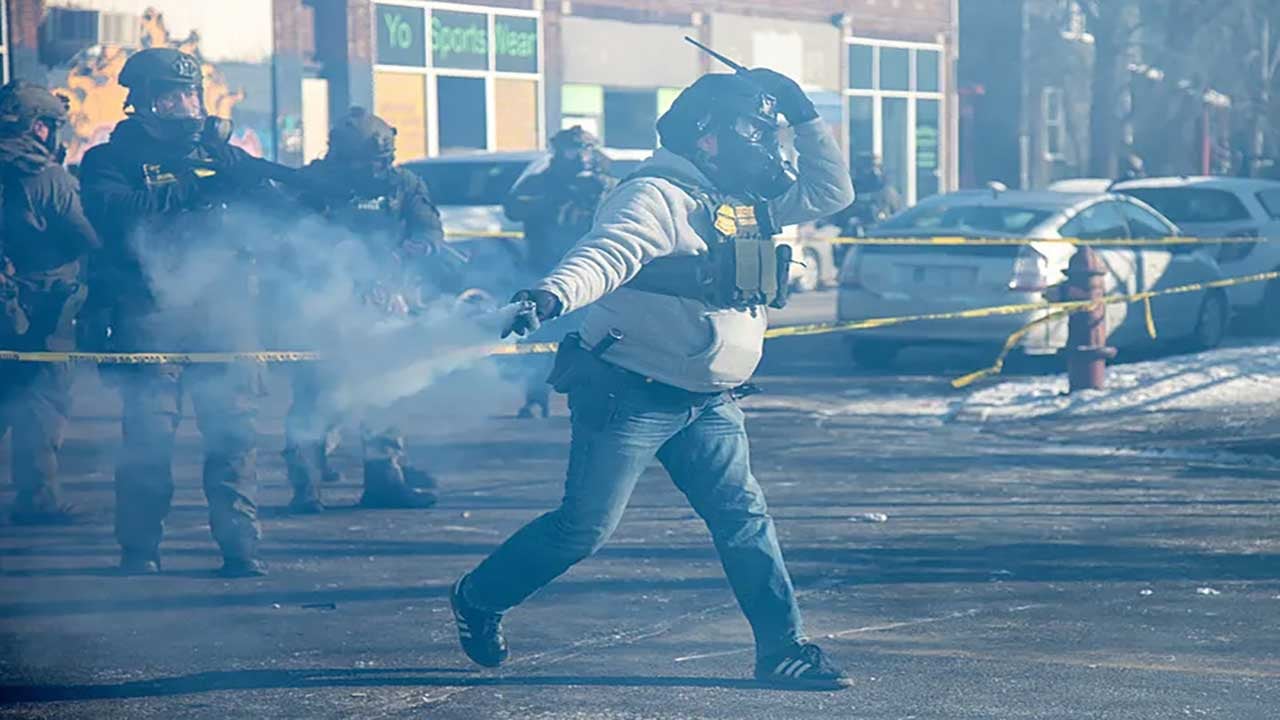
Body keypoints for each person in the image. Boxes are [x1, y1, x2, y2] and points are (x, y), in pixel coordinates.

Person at [448, 68, 856, 690]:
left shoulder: (742, 201)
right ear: (708, 136)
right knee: (583, 528)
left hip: (709, 400)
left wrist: (803, 113)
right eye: (756, 130)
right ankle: (479, 597)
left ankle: (783, 650)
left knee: (743, 519)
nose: (770, 148)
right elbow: (607, 254)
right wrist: (552, 296)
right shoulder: (654, 195)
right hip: (629, 393)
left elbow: (832, 193)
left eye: (772, 133)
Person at [79, 48, 274, 577]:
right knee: (148, 440)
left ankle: (240, 549)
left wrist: (234, 171)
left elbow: (276, 205)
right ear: (141, 102)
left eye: (191, 93)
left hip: (223, 313)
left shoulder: (219, 153)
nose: (186, 106)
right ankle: (139, 550)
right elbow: (114, 213)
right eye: (171, 96)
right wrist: (188, 186)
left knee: (234, 436)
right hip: (150, 313)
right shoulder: (108, 161)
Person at [280, 107, 442, 514]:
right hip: (320, 305)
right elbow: (289, 241)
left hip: (385, 301)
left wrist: (417, 247)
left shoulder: (403, 183)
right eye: (365, 161)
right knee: (316, 395)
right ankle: (306, 487)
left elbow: (428, 228)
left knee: (386, 390)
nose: (374, 168)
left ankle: (385, 481)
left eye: (380, 160)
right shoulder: (312, 185)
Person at [0, 81, 99, 525]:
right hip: (42, 309)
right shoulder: (46, 175)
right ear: (40, 128)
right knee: (42, 404)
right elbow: (84, 239)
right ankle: (36, 499)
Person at [502, 126, 616, 418]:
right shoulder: (541, 182)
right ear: (558, 150)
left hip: (590, 275)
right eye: (572, 148)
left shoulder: (606, 183)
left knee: (593, 338)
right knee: (538, 338)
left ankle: (594, 401)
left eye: (585, 148)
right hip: (543, 271)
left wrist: (596, 194)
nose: (578, 155)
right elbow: (513, 208)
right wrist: (555, 197)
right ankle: (536, 399)